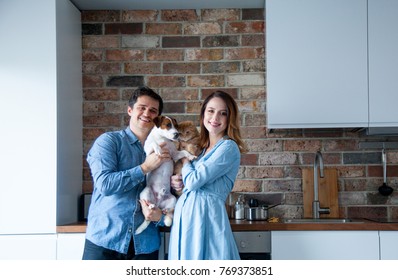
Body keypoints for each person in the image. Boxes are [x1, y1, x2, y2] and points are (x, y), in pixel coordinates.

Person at [82, 86, 171, 260]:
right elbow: (105, 185)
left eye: (153, 111)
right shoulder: (108, 142)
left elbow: (169, 195)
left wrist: (161, 217)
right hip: (105, 241)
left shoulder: (166, 150)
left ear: (158, 119)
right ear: (130, 110)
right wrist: (144, 168)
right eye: (142, 108)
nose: (147, 113)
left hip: (145, 246)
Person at [168, 90, 247, 260]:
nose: (215, 118)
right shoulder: (202, 149)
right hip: (187, 219)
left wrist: (184, 159)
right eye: (211, 111)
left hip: (206, 219)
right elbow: (189, 183)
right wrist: (178, 183)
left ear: (229, 118)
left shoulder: (228, 148)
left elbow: (195, 181)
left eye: (223, 113)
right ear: (203, 114)